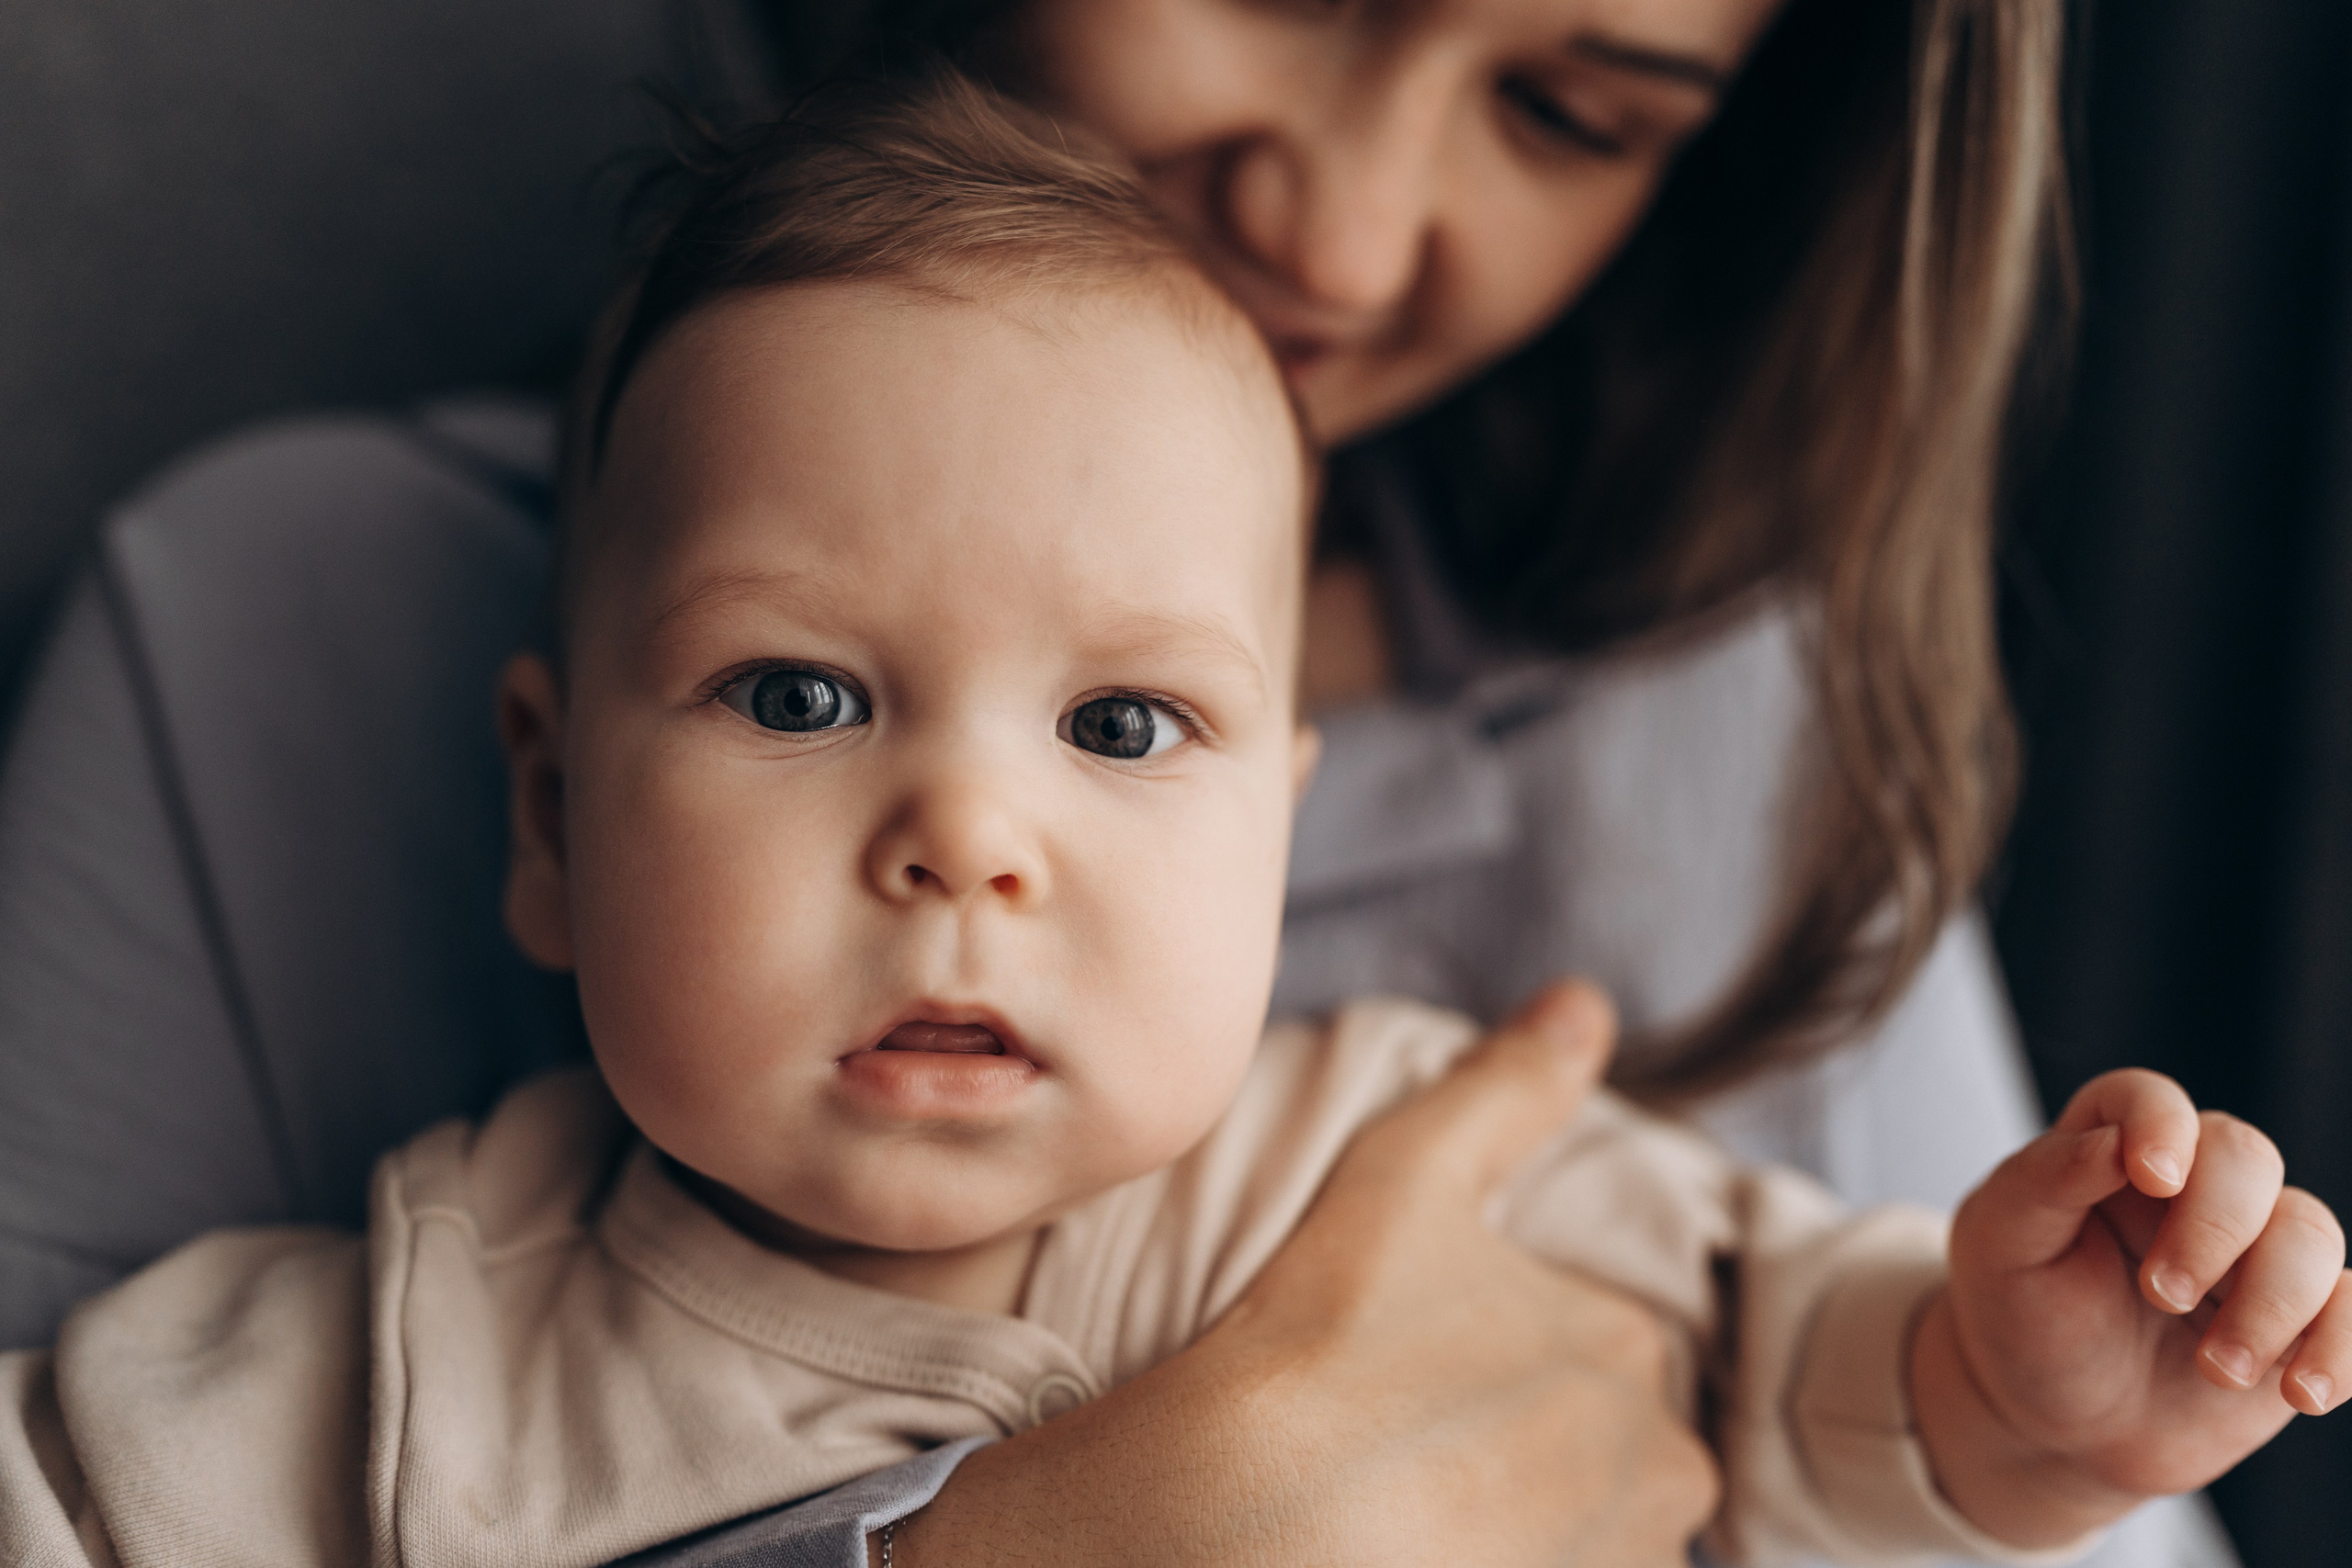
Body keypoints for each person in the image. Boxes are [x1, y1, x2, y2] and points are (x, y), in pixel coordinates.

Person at [6, 75, 2343, 1568]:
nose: (965, 836)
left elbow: (1785, 1376)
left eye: (1124, 728)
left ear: (1278, 831)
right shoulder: (389, 1362)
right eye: (801, 692)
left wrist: (2010, 1403)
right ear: (546, 805)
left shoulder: (1394, 1144)